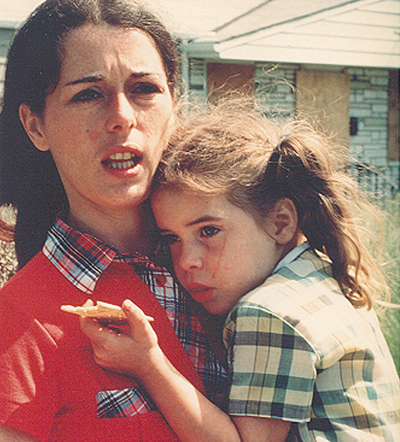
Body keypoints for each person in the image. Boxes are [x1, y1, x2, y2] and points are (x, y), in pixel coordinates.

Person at [82, 101, 400, 442]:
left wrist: (148, 364)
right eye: (170, 239)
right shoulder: (322, 276)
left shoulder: (269, 312)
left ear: (280, 222)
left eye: (208, 231)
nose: (187, 260)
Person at [0, 1, 228, 441]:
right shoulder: (16, 324)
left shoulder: (242, 259)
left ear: (175, 107)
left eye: (144, 88)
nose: (123, 115)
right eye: (88, 94)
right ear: (35, 126)